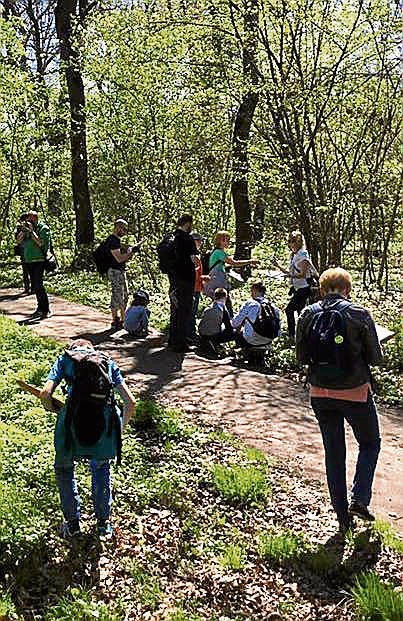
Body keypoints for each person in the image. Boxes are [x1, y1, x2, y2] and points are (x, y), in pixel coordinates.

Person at [296, 268, 383, 534]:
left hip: (320, 393)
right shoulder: (359, 314)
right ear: (347, 288)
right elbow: (376, 358)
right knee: (370, 443)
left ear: (323, 290)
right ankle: (359, 499)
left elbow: (301, 356)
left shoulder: (307, 314)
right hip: (355, 392)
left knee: (334, 452)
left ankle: (341, 516)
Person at [40, 338, 136, 538]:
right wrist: (120, 429)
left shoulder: (64, 360)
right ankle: (103, 524)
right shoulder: (107, 362)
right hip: (104, 428)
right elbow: (130, 402)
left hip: (71, 425)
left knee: (64, 470)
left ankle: (73, 524)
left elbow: (45, 393)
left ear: (73, 349)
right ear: (92, 350)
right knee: (101, 469)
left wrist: (54, 409)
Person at [273, 230, 318, 339]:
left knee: (289, 310)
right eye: (289, 241)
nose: (290, 244)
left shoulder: (303, 255)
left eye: (292, 241)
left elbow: (302, 274)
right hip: (298, 288)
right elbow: (291, 273)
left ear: (298, 242)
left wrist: (290, 276)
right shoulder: (294, 255)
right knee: (301, 312)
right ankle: (303, 333)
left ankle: (292, 334)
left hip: (304, 288)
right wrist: (278, 266)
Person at [205, 231, 258, 317]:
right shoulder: (219, 252)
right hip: (217, 282)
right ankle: (229, 323)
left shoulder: (218, 252)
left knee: (221, 303)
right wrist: (250, 261)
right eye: (226, 240)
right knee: (225, 303)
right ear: (220, 241)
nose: (228, 242)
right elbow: (234, 263)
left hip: (216, 281)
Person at [168, 214, 198, 353]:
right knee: (184, 310)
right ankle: (181, 344)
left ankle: (172, 340)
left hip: (173, 278)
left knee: (175, 308)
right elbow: (194, 259)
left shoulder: (172, 237)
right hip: (186, 279)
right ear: (188, 223)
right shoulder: (187, 238)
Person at [103, 219, 140, 330]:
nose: (125, 231)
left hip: (120, 270)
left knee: (124, 295)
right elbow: (119, 259)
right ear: (118, 227)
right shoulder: (112, 240)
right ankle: (118, 320)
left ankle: (121, 320)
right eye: (123, 229)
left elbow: (122, 256)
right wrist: (131, 252)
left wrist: (130, 251)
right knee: (118, 295)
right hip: (115, 271)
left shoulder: (117, 241)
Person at [15, 210, 51, 319]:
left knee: (38, 284)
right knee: (35, 286)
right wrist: (23, 230)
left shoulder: (43, 229)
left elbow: (41, 243)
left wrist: (31, 232)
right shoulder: (25, 229)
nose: (28, 221)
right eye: (27, 220)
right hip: (28, 260)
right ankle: (40, 308)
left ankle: (45, 309)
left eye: (30, 219)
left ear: (35, 218)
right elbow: (18, 241)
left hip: (39, 260)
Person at [232, 282, 281, 348]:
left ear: (255, 291)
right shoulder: (272, 305)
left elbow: (235, 323)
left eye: (252, 291)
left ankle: (240, 351)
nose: (251, 293)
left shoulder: (250, 303)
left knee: (236, 332)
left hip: (251, 339)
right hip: (269, 339)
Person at [198, 288, 236, 354]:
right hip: (214, 335)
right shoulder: (223, 308)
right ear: (225, 297)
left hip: (202, 334)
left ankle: (206, 342)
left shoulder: (208, 307)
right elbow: (229, 327)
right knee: (234, 332)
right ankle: (233, 349)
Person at [188, 231, 209, 343]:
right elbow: (192, 274)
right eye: (199, 240)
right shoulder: (192, 255)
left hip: (196, 287)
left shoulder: (194, 254)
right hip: (192, 288)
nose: (201, 242)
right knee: (191, 312)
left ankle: (190, 334)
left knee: (192, 311)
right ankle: (190, 335)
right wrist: (203, 278)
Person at [14, 213, 31, 294]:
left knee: (32, 269)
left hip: (32, 250)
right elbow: (17, 240)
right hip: (23, 250)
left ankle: (34, 287)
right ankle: (27, 287)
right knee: (25, 269)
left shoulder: (32, 226)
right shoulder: (19, 228)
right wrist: (22, 230)